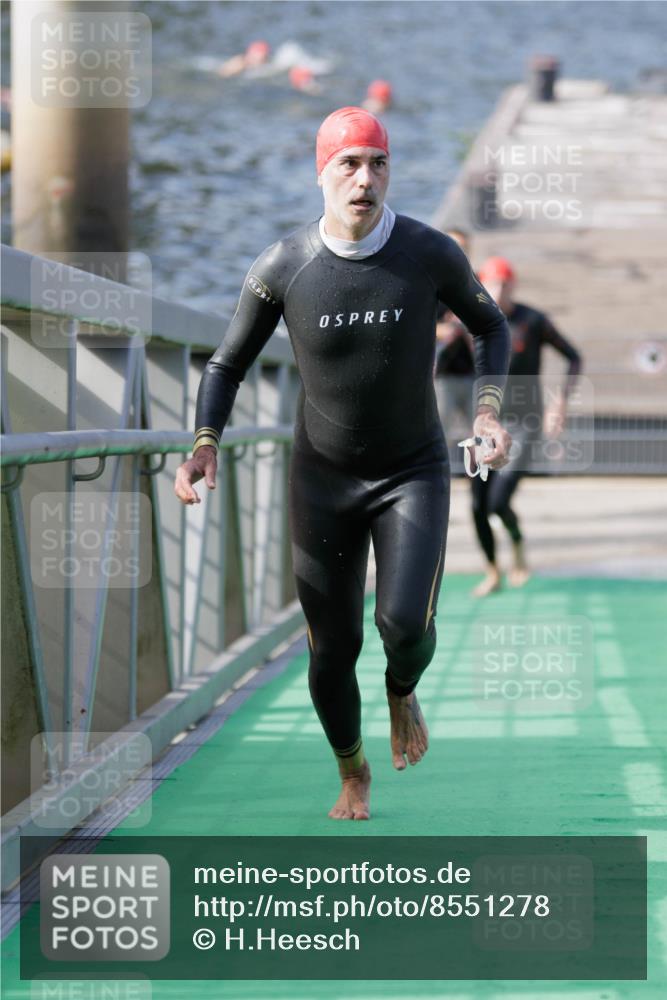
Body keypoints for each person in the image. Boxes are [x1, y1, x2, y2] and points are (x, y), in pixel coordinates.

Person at [174, 108, 512, 820]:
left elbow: (489, 324)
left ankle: (400, 688)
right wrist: (205, 442)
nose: (364, 180)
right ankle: (352, 771)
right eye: (348, 164)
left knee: (404, 626)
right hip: (322, 479)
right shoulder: (283, 266)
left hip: (411, 470)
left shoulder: (426, 253)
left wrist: (486, 412)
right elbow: (227, 364)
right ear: (321, 173)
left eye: (377, 164)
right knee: (332, 648)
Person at [469, 256, 582, 597]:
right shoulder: (472, 319)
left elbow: (573, 357)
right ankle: (492, 571)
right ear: (482, 284)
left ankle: (517, 546)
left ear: (513, 285)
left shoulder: (533, 320)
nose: (498, 290)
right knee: (477, 505)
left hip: (524, 423)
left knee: (497, 501)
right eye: (492, 283)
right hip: (485, 423)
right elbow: (446, 359)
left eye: (504, 283)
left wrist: (560, 401)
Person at [434, 228, 476, 432]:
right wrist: (442, 330)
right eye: (454, 246)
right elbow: (412, 325)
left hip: (471, 373)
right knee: (440, 433)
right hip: (440, 375)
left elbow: (490, 327)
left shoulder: (474, 284)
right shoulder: (430, 283)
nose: (459, 252)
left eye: (463, 248)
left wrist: (466, 326)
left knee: (482, 435)